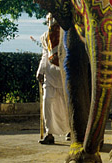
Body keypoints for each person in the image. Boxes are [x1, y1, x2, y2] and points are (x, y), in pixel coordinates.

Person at [36, 15, 70, 144]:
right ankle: (49, 133)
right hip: (49, 76)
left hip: (64, 75)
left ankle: (70, 130)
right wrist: (40, 71)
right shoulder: (45, 37)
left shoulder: (66, 36)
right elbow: (45, 55)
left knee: (66, 105)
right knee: (48, 104)